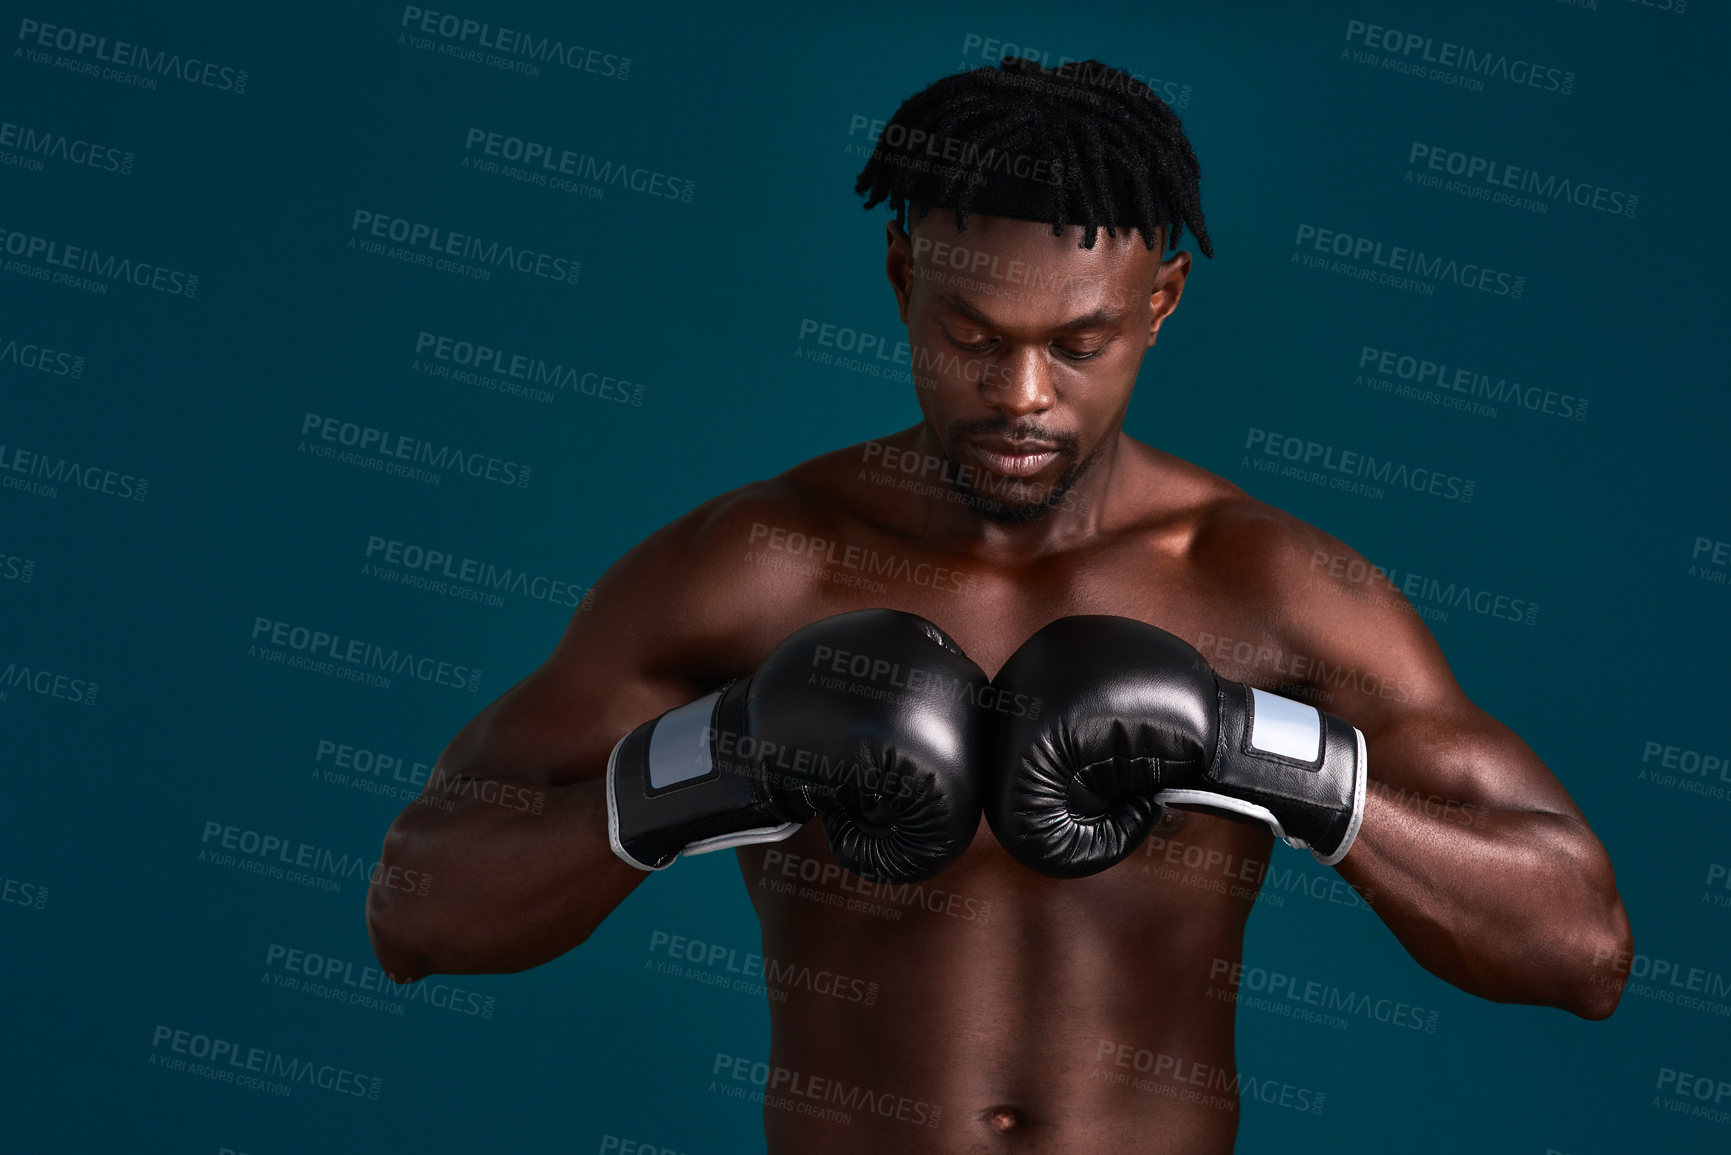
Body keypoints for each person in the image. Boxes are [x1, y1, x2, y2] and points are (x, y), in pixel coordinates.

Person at [365, 55, 1631, 1153]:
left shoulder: (1274, 588)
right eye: (973, 335)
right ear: (902, 273)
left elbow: (1580, 951)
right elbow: (416, 913)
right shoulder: (757, 568)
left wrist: (1260, 754)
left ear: (1162, 301)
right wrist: (722, 755)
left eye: (1077, 344)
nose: (1022, 394)